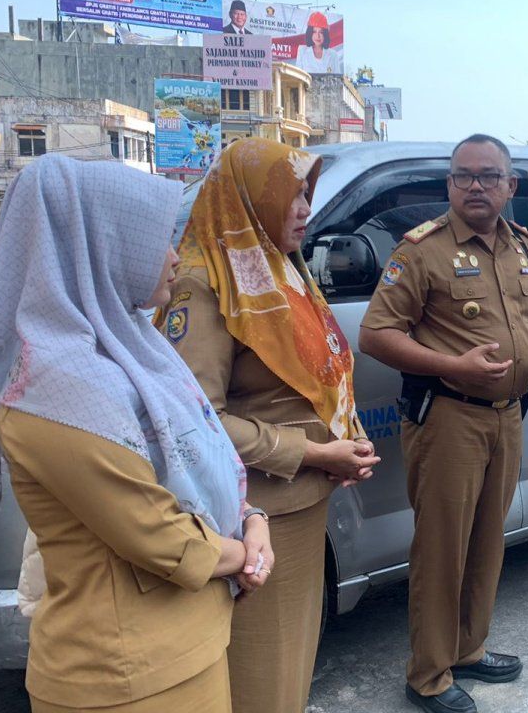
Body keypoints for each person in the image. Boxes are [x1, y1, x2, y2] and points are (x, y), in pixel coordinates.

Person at [0, 155, 271, 712]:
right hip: (123, 676)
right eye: (157, 239)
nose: (171, 257)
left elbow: (198, 463)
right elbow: (156, 534)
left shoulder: (133, 347)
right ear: (99, 244)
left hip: (191, 641)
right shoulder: (54, 394)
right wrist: (247, 557)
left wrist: (253, 519)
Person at [161, 138, 376, 713]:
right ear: (249, 198)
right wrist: (312, 453)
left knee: (292, 660)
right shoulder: (203, 283)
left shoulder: (280, 269)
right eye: (291, 194)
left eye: (308, 193)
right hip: (254, 514)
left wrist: (343, 437)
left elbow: (313, 376)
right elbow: (193, 422)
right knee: (263, 673)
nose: (305, 208)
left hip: (303, 501)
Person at [360, 134, 528, 713]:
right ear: (449, 185)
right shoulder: (421, 250)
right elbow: (376, 335)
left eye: (487, 175)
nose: (475, 186)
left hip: (508, 417)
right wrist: (454, 366)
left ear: (510, 185)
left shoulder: (525, 246)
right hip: (448, 418)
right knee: (441, 547)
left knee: (486, 540)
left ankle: (468, 650)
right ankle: (428, 674)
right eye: (462, 176)